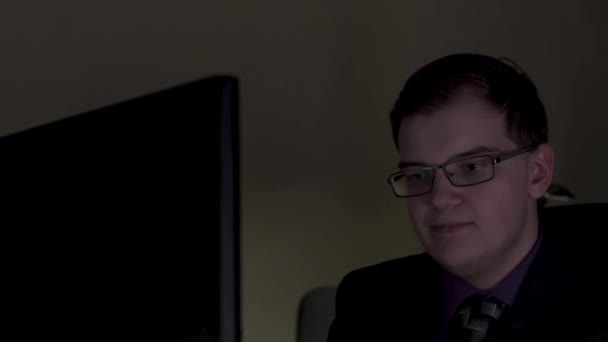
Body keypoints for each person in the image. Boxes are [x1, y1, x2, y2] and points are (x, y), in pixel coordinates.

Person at [326, 53, 608, 342]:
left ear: (537, 172)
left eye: (471, 167)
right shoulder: (367, 301)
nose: (439, 199)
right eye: (419, 175)